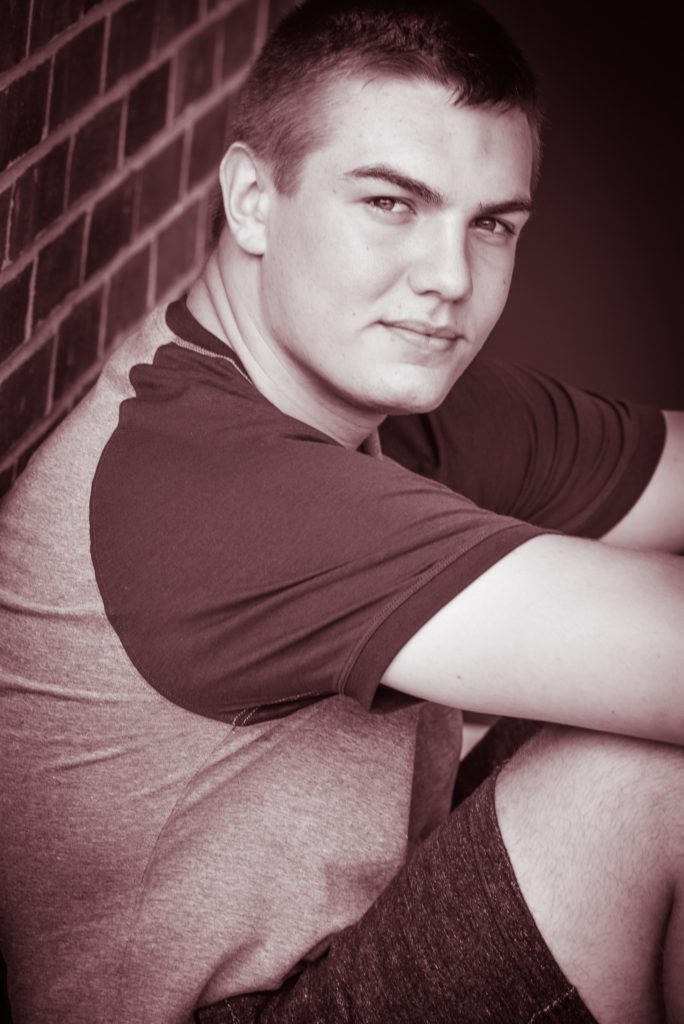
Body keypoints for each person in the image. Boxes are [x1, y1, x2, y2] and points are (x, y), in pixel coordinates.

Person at [1, 0, 682, 1022]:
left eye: (491, 223)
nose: (449, 280)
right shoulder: (209, 488)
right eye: (392, 205)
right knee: (637, 785)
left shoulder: (374, 379)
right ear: (252, 201)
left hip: (346, 942)